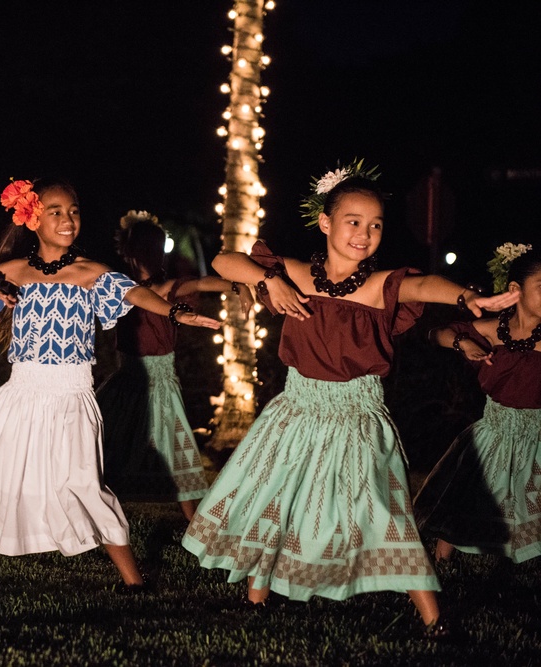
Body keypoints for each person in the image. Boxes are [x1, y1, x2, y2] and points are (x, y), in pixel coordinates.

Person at [180, 162, 518, 638]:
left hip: (357, 416)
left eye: (375, 224)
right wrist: (268, 280)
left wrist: (466, 298)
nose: (364, 233)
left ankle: (432, 615)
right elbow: (223, 260)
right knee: (279, 496)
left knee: (383, 508)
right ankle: (256, 600)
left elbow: (423, 287)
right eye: (353, 222)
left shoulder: (380, 285)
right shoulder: (294, 274)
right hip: (296, 411)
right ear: (326, 223)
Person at [0, 179, 220, 589]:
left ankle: (133, 581)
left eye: (74, 211)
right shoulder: (15, 272)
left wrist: (177, 315)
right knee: (2, 473)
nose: (68, 220)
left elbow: (136, 294)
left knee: (84, 483)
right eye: (56, 211)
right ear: (32, 218)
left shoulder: (89, 272)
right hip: (21, 393)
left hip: (71, 396)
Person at [97, 210, 253, 520]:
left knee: (174, 447)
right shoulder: (118, 289)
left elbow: (201, 283)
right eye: (146, 247)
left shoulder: (170, 286)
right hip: (128, 377)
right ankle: (101, 513)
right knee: (110, 443)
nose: (153, 254)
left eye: (158, 247)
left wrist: (236, 286)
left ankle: (192, 520)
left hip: (161, 379)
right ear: (129, 250)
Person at [414, 242, 541, 565]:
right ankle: (443, 560)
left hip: (536, 435)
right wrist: (462, 341)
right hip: (494, 430)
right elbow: (436, 334)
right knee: (467, 492)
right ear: (515, 290)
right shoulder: (489, 330)